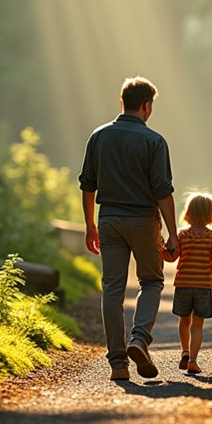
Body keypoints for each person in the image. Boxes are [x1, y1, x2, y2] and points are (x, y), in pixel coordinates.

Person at [78, 76, 178, 381]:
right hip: (143, 220)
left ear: (123, 102)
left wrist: (89, 225)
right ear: (146, 106)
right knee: (151, 281)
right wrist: (173, 233)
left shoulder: (98, 136)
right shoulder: (154, 141)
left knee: (113, 289)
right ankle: (138, 339)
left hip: (108, 219)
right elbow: (162, 190)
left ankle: (118, 363)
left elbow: (87, 185)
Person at [159, 191, 212, 374]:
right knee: (197, 324)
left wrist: (160, 249)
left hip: (183, 284)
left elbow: (172, 257)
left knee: (184, 320)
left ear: (188, 212)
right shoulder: (211, 236)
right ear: (210, 215)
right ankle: (192, 360)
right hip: (203, 286)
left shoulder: (182, 235)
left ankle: (184, 351)